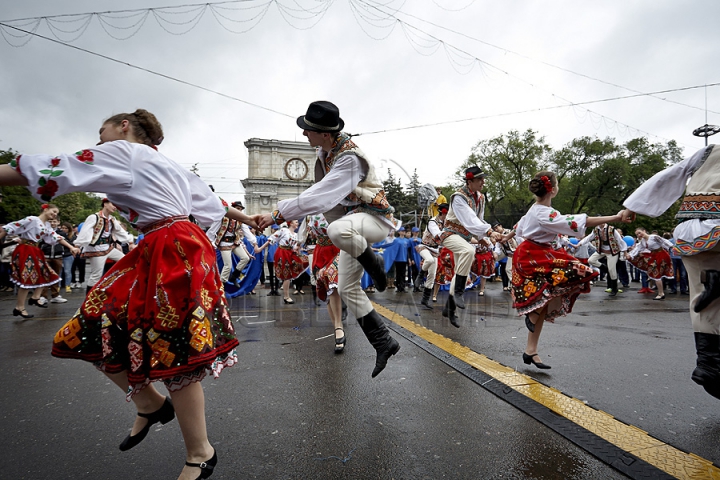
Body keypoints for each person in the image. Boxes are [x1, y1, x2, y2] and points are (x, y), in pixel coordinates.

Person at [0, 109, 257, 479]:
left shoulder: (123, 151)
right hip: (162, 247)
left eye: (101, 130)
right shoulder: (168, 165)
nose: (99, 138)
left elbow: (55, 167)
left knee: (173, 349)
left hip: (173, 248)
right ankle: (150, 403)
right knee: (89, 325)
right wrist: (250, 219)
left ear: (124, 127)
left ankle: (200, 453)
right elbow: (214, 204)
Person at [255, 100, 400, 377]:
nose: (303, 134)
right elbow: (321, 196)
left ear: (324, 133)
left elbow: (321, 195)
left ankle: (377, 263)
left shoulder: (348, 158)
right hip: (352, 226)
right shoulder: (327, 153)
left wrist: (277, 214)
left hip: (373, 220)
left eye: (308, 129)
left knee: (336, 231)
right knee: (345, 287)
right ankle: (383, 342)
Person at [621, 145, 720, 400]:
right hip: (715, 222)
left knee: (702, 294)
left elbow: (672, 173)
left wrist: (633, 206)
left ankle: (708, 363)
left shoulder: (709, 151)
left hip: (691, 228)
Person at [511, 171, 626, 369]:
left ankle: (531, 350)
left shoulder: (535, 210)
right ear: (553, 190)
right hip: (533, 255)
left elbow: (518, 227)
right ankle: (531, 315)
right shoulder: (544, 213)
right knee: (578, 271)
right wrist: (616, 217)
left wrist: (505, 237)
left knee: (545, 300)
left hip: (534, 252)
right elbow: (579, 222)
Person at [438, 165, 501, 327]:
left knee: (461, 270)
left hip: (464, 237)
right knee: (468, 251)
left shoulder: (480, 197)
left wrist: (484, 237)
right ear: (470, 181)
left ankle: (449, 309)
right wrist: (488, 231)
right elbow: (469, 219)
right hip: (450, 235)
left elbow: (478, 219)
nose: (483, 182)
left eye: (483, 179)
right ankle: (458, 292)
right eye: (480, 179)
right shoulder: (458, 197)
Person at [0, 204, 79, 317]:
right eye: (53, 211)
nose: (55, 214)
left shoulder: (46, 225)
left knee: (46, 273)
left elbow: (55, 237)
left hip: (34, 250)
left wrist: (71, 247)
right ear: (45, 209)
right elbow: (11, 227)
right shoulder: (32, 219)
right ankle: (19, 307)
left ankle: (35, 297)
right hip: (26, 249)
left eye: (57, 213)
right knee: (27, 278)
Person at [299, 213, 345, 352]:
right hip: (321, 252)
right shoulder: (311, 210)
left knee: (333, 282)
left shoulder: (341, 203)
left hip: (339, 249)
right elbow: (302, 236)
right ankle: (337, 327)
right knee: (327, 289)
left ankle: (338, 327)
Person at [75, 199, 133, 295]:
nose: (115, 207)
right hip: (96, 249)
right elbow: (85, 231)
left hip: (108, 248)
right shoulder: (94, 217)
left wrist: (130, 242)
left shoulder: (112, 219)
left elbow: (120, 231)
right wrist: (77, 245)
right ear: (105, 204)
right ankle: (88, 300)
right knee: (96, 275)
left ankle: (115, 284)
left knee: (125, 261)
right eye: (113, 204)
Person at [256, 219, 307, 304]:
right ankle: (286, 297)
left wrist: (298, 249)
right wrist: (260, 248)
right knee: (287, 275)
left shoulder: (296, 235)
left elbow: (295, 247)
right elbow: (271, 239)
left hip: (290, 253)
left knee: (292, 272)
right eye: (296, 222)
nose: (297, 223)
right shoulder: (284, 230)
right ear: (290, 223)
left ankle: (286, 296)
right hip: (282, 252)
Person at [579, 222, 627, 296]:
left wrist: (624, 252)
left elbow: (620, 240)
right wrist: (580, 243)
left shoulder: (612, 229)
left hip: (612, 251)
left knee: (612, 270)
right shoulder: (596, 229)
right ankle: (605, 268)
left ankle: (614, 288)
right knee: (591, 260)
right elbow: (589, 238)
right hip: (601, 250)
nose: (599, 223)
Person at [626, 227, 674, 300]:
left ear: (644, 231)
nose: (639, 235)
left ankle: (661, 293)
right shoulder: (643, 241)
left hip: (661, 255)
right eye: (637, 234)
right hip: (654, 256)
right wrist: (630, 255)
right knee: (655, 274)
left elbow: (664, 241)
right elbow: (638, 249)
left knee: (656, 274)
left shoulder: (654, 237)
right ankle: (660, 292)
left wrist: (673, 247)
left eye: (640, 233)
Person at [416, 203, 448, 308]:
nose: (447, 216)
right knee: (429, 260)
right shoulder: (432, 222)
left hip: (435, 249)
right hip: (425, 246)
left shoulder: (446, 223)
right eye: (446, 214)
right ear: (441, 213)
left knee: (432, 275)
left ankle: (425, 300)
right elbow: (438, 235)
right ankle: (420, 275)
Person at [59, 222, 76, 294]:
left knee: (67, 271)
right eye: (62, 228)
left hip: (68, 255)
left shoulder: (72, 237)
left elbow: (72, 244)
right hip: (59, 255)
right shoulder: (58, 235)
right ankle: (58, 286)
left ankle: (67, 285)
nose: (64, 230)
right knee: (59, 271)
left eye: (66, 228)